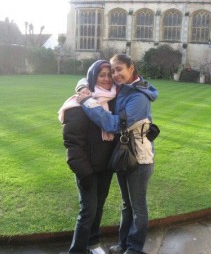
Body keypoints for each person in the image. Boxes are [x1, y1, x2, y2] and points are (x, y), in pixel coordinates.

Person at [80, 54, 158, 254]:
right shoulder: (121, 89)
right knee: (127, 205)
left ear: (132, 68)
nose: (114, 75)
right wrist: (82, 87)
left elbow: (114, 124)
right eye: (113, 70)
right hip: (123, 153)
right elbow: (91, 79)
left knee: (138, 206)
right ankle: (123, 244)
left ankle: (134, 248)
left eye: (119, 69)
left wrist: (88, 103)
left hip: (139, 156)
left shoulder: (139, 97)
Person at [58, 60, 117, 254]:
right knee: (87, 211)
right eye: (102, 75)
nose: (107, 79)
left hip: (106, 167)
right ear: (93, 78)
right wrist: (84, 172)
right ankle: (77, 250)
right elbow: (73, 144)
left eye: (109, 75)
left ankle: (93, 243)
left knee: (98, 207)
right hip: (88, 169)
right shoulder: (78, 104)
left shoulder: (111, 100)